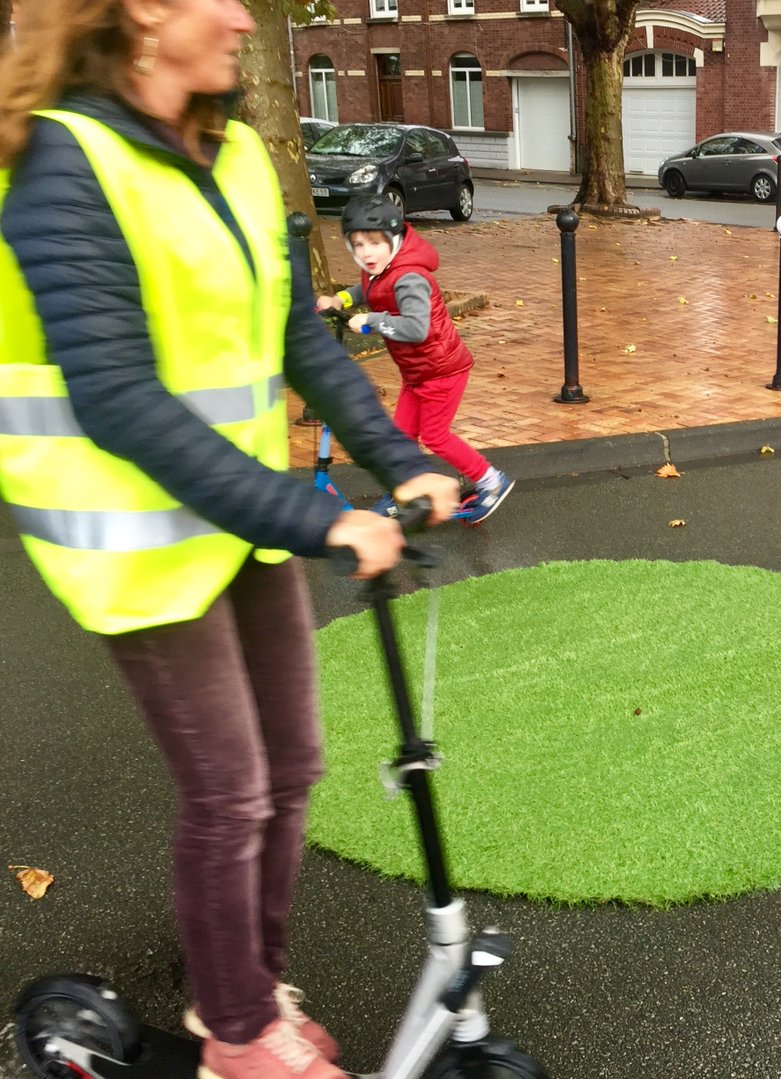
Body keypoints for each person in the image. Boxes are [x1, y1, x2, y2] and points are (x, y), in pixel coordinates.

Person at [0, 3, 461, 1078]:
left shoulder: (244, 152)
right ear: (147, 10)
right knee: (231, 791)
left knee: (294, 765)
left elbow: (299, 334)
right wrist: (318, 516)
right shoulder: (67, 161)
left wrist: (398, 461)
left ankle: (242, 988)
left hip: (240, 522)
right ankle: (242, 1037)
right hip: (136, 542)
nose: (244, 16)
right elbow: (116, 398)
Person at [316, 194, 514, 526]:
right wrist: (341, 298)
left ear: (392, 240)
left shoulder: (410, 278)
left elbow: (417, 328)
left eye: (375, 243)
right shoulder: (381, 268)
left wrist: (372, 321)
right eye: (359, 244)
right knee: (403, 435)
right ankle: (401, 491)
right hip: (417, 372)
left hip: (441, 369)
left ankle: (492, 481)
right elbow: (368, 289)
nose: (367, 253)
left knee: (435, 435)